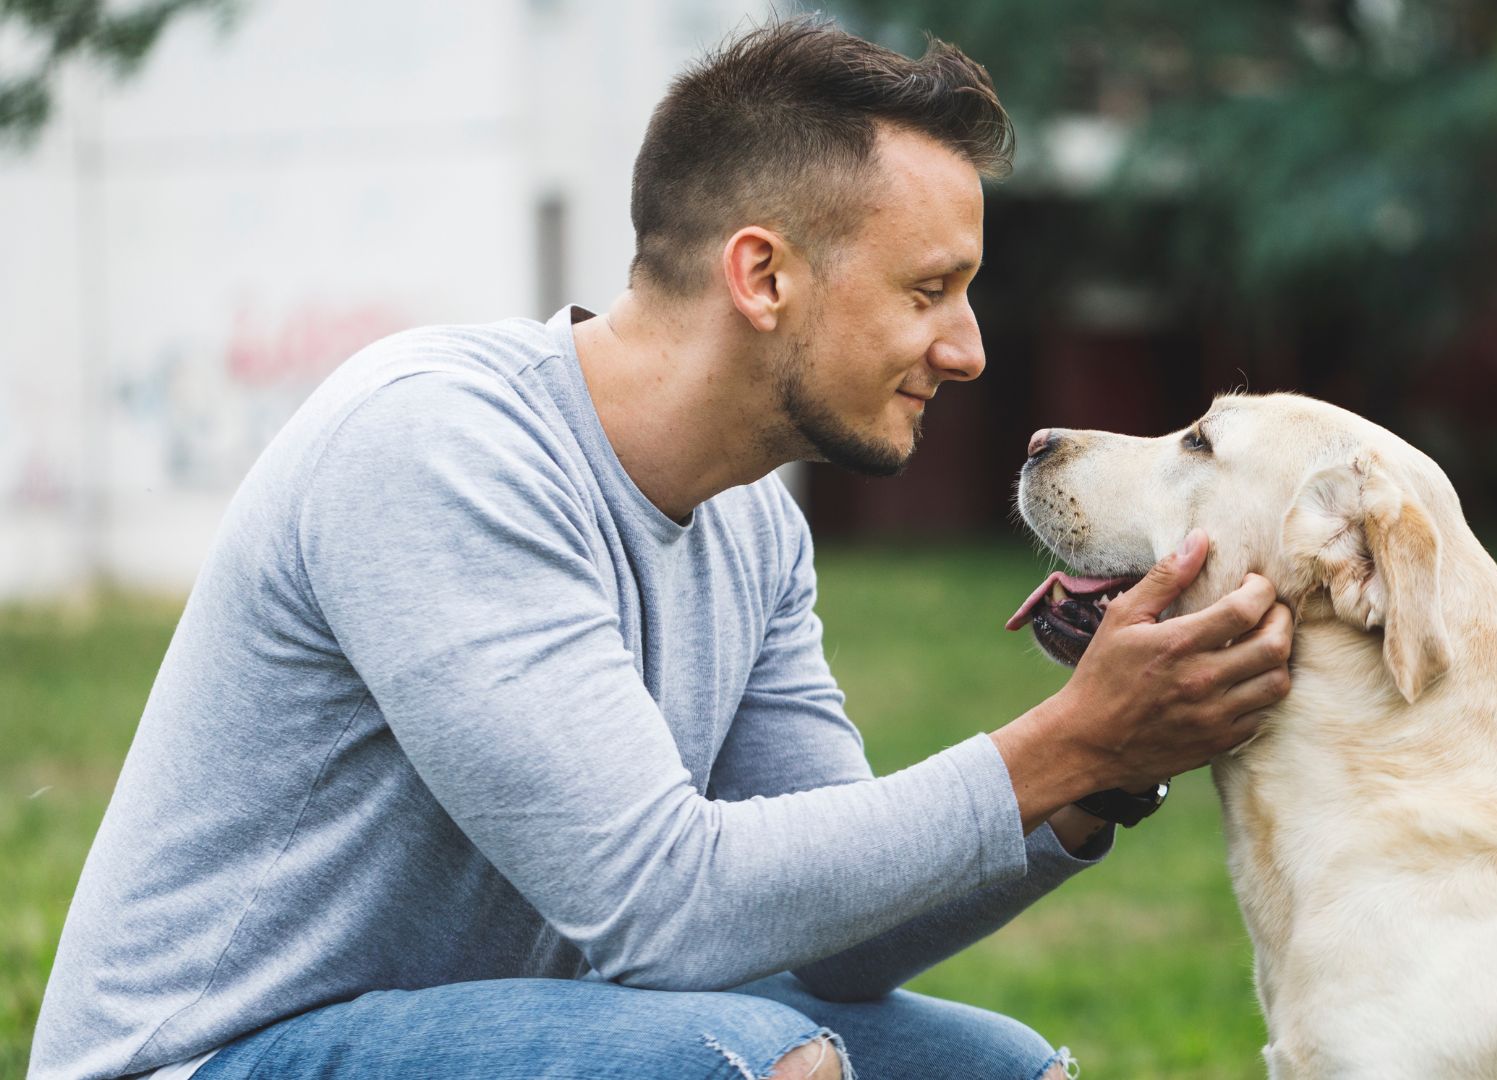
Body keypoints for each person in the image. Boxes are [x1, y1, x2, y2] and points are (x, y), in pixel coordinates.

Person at [30, 18, 1295, 1080]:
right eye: (927, 291)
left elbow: (842, 941)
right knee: (744, 1060)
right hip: (211, 1054)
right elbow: (667, 907)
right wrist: (1066, 738)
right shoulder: (439, 450)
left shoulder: (753, 522)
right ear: (763, 277)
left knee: (995, 1069)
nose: (966, 350)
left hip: (480, 1034)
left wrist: (1094, 779)